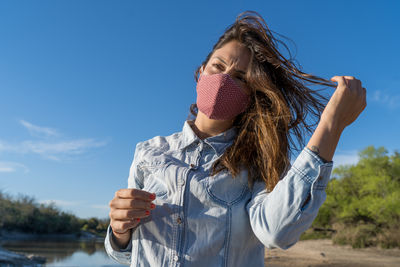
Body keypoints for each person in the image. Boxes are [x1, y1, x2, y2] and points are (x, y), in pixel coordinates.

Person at [104, 10, 366, 266]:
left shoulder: (260, 159)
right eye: (218, 66)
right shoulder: (148, 152)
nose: (223, 79)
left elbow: (276, 232)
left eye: (240, 77)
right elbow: (127, 255)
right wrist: (119, 231)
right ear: (200, 73)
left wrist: (331, 125)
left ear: (250, 96)